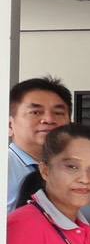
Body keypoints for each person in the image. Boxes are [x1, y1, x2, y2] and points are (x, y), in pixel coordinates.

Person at [9, 76, 72, 211]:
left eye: (58, 113)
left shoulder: (80, 171)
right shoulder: (5, 168)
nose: (49, 119)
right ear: (9, 125)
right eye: (35, 112)